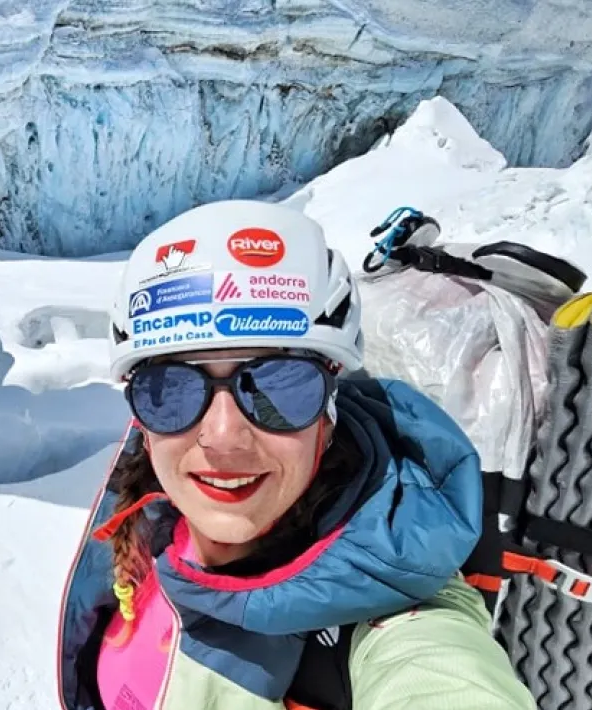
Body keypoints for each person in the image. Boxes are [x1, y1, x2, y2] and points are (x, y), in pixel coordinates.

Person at [56, 200, 536, 710]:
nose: (222, 437)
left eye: (278, 386)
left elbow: (439, 679)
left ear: (330, 408)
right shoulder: (153, 512)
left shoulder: (398, 619)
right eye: (170, 388)